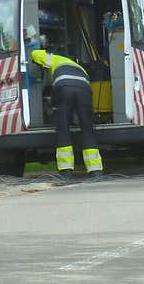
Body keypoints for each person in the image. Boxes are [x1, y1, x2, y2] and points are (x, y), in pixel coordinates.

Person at [26, 37, 104, 181]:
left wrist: (33, 55)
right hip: (84, 89)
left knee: (63, 128)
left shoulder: (54, 59)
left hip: (64, 87)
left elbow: (35, 54)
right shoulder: (78, 67)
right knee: (87, 128)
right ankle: (95, 171)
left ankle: (66, 173)